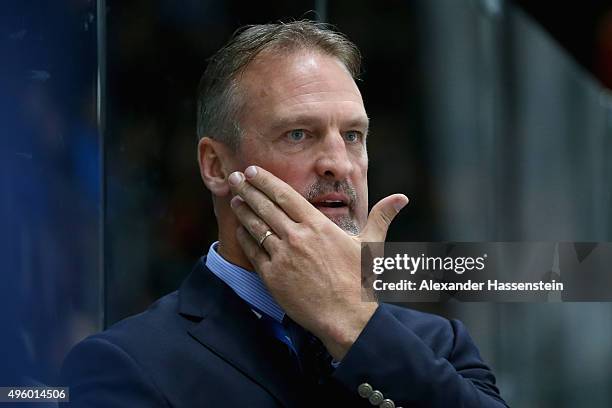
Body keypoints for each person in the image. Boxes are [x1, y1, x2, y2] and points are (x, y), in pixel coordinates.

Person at [61, 20, 507, 407]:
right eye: (298, 134)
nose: (338, 163)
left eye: (353, 135)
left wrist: (356, 327)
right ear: (216, 166)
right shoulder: (126, 364)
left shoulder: (440, 344)